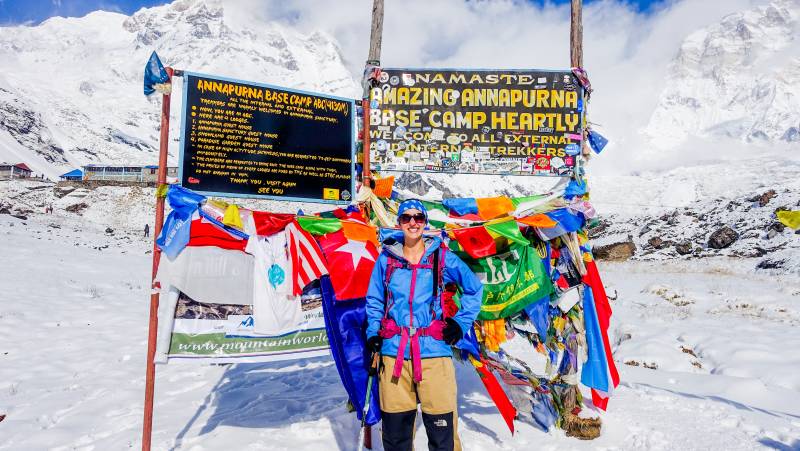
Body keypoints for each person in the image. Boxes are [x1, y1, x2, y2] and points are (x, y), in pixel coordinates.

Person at [365, 199, 483, 451]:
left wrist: (460, 324)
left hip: (434, 355)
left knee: (442, 436)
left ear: (425, 222)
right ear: (398, 223)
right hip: (393, 354)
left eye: (418, 217)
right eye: (406, 217)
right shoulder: (386, 260)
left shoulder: (441, 258)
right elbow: (375, 300)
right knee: (396, 438)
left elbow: (474, 289)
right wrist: (373, 333)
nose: (412, 222)